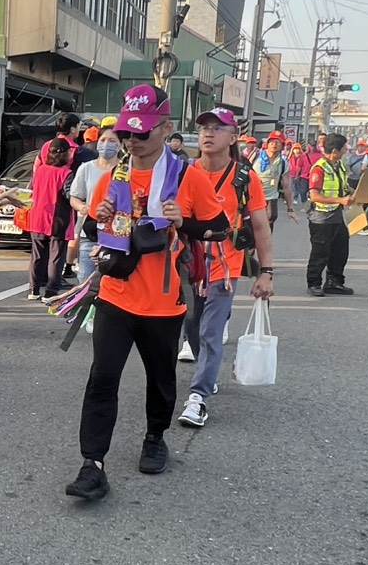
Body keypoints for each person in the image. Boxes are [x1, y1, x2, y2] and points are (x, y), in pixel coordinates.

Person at [64, 86, 227, 502]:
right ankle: (92, 464)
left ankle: (155, 437)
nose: (133, 142)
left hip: (164, 302)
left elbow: (223, 228)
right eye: (126, 135)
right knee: (102, 378)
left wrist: (183, 222)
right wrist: (95, 219)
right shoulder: (112, 177)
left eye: (143, 134)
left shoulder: (187, 177)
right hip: (116, 295)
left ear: (166, 128)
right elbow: (91, 234)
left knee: (161, 379)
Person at [176, 108, 276, 429]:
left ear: (232, 138)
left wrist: (266, 272)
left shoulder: (245, 178)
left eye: (217, 129)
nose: (208, 133)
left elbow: (260, 227)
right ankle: (207, 373)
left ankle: (198, 397)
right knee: (191, 328)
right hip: (188, 266)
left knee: (210, 332)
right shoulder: (184, 173)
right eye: (204, 127)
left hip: (225, 268)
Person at [306, 133, 355, 297]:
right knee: (320, 252)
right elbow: (315, 196)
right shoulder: (319, 169)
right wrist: (340, 200)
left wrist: (354, 194)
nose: (345, 151)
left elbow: (343, 187)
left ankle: (334, 281)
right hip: (321, 218)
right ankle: (314, 283)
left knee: (340, 250)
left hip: (337, 216)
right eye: (343, 148)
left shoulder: (339, 165)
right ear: (335, 150)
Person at [68, 127, 120, 279]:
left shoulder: (125, 170)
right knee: (86, 281)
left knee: (111, 283)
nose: (106, 144)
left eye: (112, 141)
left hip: (117, 237)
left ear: (120, 145)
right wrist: (82, 207)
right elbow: (74, 197)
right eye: (103, 140)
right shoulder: (86, 168)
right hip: (90, 234)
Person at [26, 138, 73, 300]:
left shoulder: (40, 170)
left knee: (37, 255)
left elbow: (31, 189)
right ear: (66, 154)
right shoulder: (66, 173)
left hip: (38, 217)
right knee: (56, 257)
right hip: (57, 219)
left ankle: (33, 289)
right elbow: (69, 195)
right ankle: (51, 291)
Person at [252, 136, 295, 231]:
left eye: (277, 142)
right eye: (271, 142)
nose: (274, 144)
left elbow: (287, 186)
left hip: (271, 198)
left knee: (270, 219)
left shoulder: (283, 163)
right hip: (253, 198)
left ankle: (264, 243)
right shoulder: (255, 157)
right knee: (252, 225)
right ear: (267, 144)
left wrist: (290, 208)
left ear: (282, 146)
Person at [287, 140, 313, 206]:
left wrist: (298, 174)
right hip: (291, 174)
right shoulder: (290, 157)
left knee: (299, 188)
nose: (296, 150)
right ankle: (294, 198)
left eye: (298, 149)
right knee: (293, 187)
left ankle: (300, 199)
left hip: (300, 175)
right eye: (295, 149)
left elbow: (300, 167)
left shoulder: (303, 156)